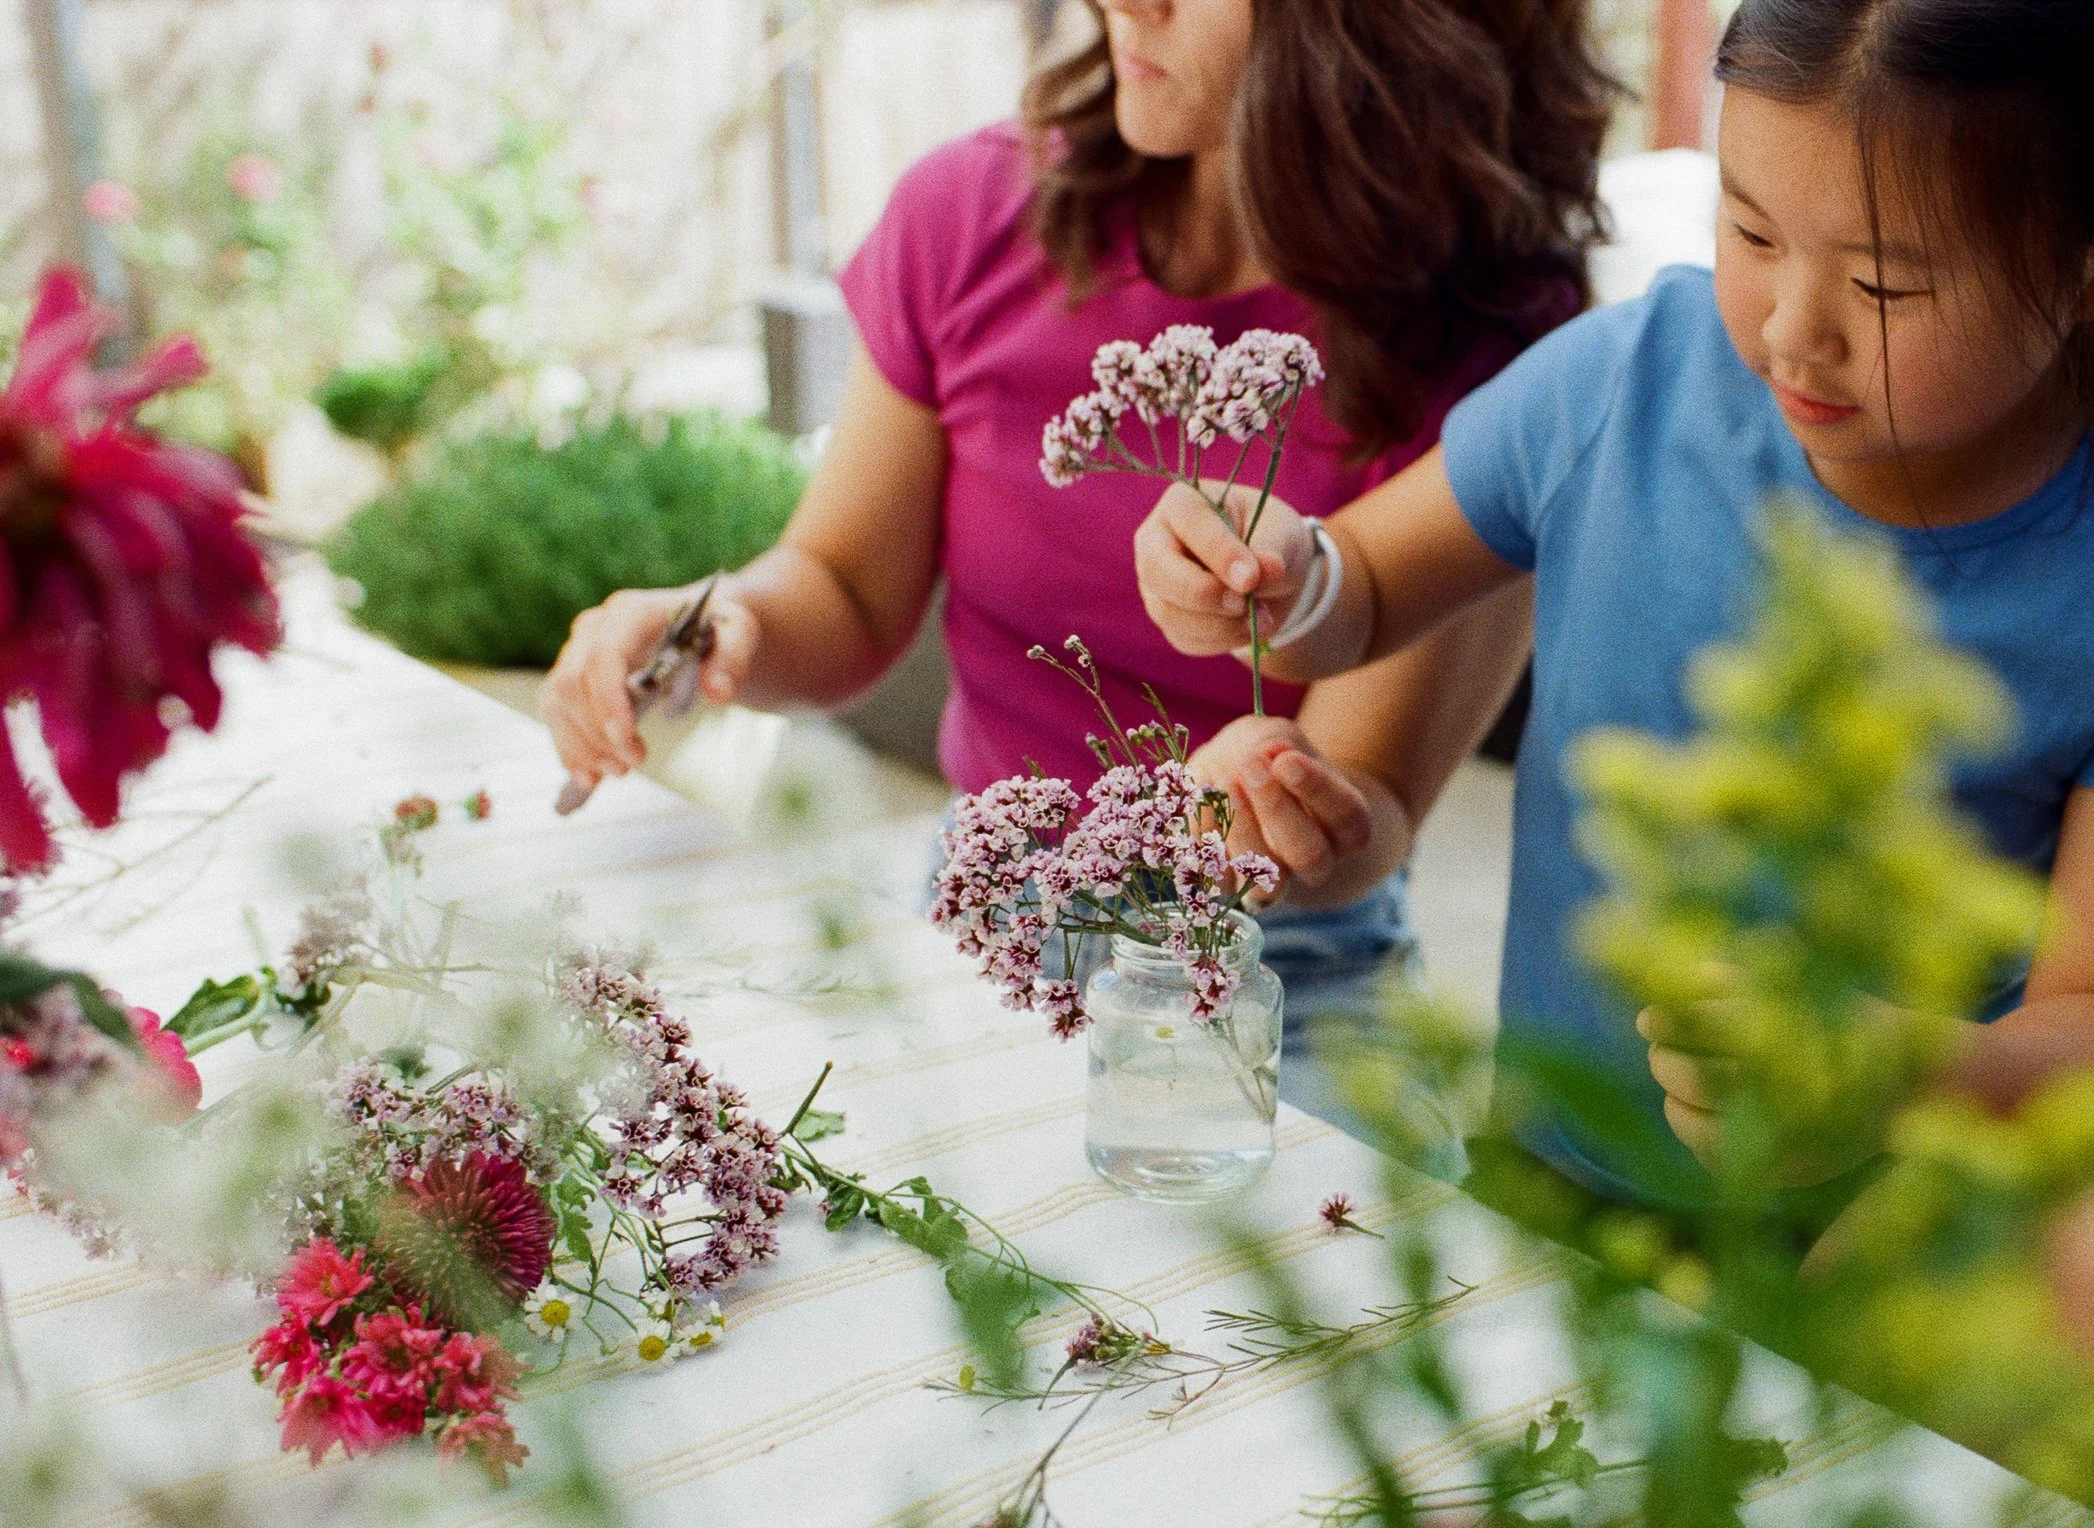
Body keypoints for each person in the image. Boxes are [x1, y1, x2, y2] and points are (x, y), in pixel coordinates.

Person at [1128, 0, 2094, 1487]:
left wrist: (1877, 1071)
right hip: (1562, 1187)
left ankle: (1828, 1467)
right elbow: (1351, 595)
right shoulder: (1637, 377)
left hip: (1890, 1243)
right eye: (1750, 231)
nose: (1792, 328)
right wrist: (1264, 570)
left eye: (1886, 281)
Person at [537, 0, 1613, 1120]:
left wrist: (1267, 820)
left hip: (1278, 973)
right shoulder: (968, 213)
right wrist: (720, 625)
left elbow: (1372, 808)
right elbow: (846, 590)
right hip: (985, 910)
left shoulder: (1503, 351)